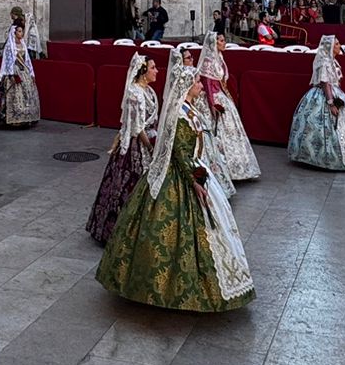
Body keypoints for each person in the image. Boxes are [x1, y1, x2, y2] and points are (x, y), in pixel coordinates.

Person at [97, 58, 255, 311]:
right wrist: (196, 181)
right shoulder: (180, 115)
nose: (201, 87)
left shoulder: (189, 110)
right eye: (196, 83)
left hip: (196, 169)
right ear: (186, 87)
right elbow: (181, 152)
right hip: (183, 175)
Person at [89, 53, 158, 243]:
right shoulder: (134, 93)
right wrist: (151, 148)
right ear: (143, 71)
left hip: (150, 138)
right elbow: (137, 127)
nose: (156, 71)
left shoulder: (150, 91)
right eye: (153, 67)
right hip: (137, 146)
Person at [288, 36, 345, 170]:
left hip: (335, 92)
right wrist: (331, 103)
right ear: (330, 47)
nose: (339, 46)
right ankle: (321, 158)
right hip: (324, 95)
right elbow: (325, 83)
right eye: (337, 44)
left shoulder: (333, 61)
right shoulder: (325, 63)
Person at [196, 32, 261, 182]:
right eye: (221, 41)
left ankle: (239, 167)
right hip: (213, 98)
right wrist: (212, 105)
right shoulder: (208, 61)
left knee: (232, 131)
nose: (224, 43)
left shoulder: (220, 58)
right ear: (214, 43)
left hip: (222, 95)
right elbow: (207, 84)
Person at [0, 20, 40, 127]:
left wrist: (31, 72)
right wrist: (10, 74)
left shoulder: (23, 44)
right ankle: (15, 118)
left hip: (24, 71)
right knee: (15, 94)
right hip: (14, 70)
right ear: (14, 33)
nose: (21, 33)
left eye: (22, 31)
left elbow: (27, 60)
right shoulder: (10, 46)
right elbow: (7, 61)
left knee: (27, 92)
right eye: (19, 31)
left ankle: (27, 116)